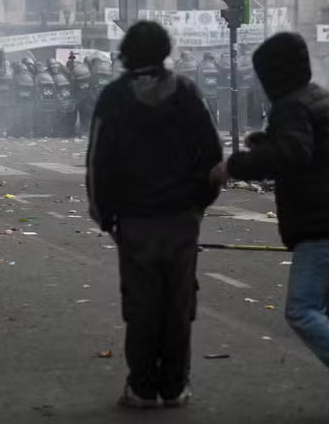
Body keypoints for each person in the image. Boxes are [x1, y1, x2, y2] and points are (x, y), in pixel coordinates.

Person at [211, 32, 329, 423]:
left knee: (303, 309)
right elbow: (305, 147)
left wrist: (236, 166)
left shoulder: (291, 104)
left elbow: (295, 153)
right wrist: (267, 142)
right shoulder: (316, 97)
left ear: (273, 75)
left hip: (326, 222)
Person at [86, 21, 222, 409]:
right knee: (178, 305)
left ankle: (143, 387)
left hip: (134, 221)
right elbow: (211, 154)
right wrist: (199, 205)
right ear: (165, 50)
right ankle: (175, 385)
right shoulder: (187, 92)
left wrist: (105, 216)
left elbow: (98, 162)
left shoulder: (113, 97)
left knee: (142, 305)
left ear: (126, 53)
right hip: (181, 218)